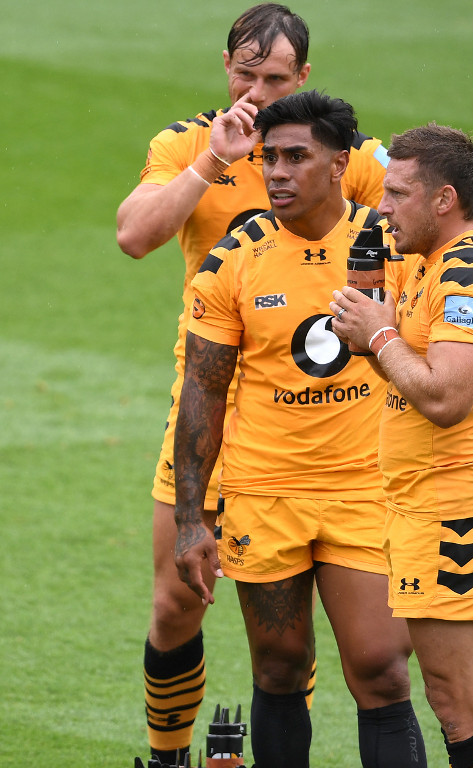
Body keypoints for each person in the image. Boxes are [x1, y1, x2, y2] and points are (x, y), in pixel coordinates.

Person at [114, 5, 389, 761]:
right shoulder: (186, 143)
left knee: (288, 633)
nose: (258, 93)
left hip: (309, 419)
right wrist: (214, 160)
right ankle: (168, 754)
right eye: (246, 74)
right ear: (226, 68)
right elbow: (135, 235)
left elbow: (432, 205)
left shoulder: (333, 152)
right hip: (210, 407)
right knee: (176, 604)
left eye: (276, 79)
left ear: (304, 77)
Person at [173, 91, 425, 768]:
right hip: (265, 490)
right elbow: (203, 390)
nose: (277, 172)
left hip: (366, 488)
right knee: (280, 666)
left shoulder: (392, 247)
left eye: (296, 157)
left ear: (340, 163)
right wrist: (191, 519)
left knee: (381, 669)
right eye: (269, 158)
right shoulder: (234, 258)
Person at [330, 124, 473, 768]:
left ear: (444, 199)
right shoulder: (423, 261)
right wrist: (370, 339)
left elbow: (445, 399)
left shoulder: (463, 272)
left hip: (451, 512)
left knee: (457, 701)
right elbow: (411, 374)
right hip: (422, 505)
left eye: (397, 194)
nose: (380, 207)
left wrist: (381, 337)